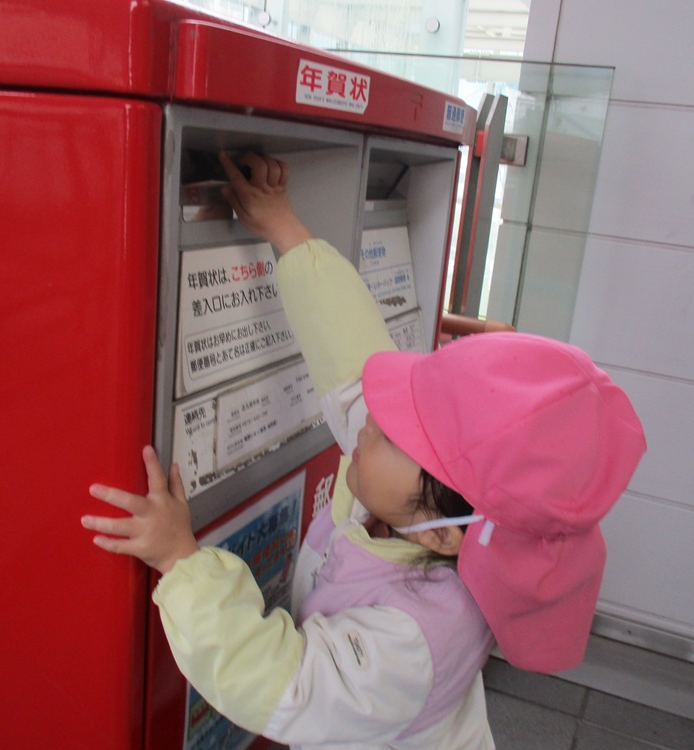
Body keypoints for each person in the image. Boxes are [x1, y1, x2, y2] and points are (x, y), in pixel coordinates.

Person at [81, 152, 647, 749]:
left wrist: (181, 562)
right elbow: (352, 359)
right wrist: (286, 231)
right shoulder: (416, 489)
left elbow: (286, 685)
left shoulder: (417, 639)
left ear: (441, 535)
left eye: (397, 429)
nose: (372, 418)